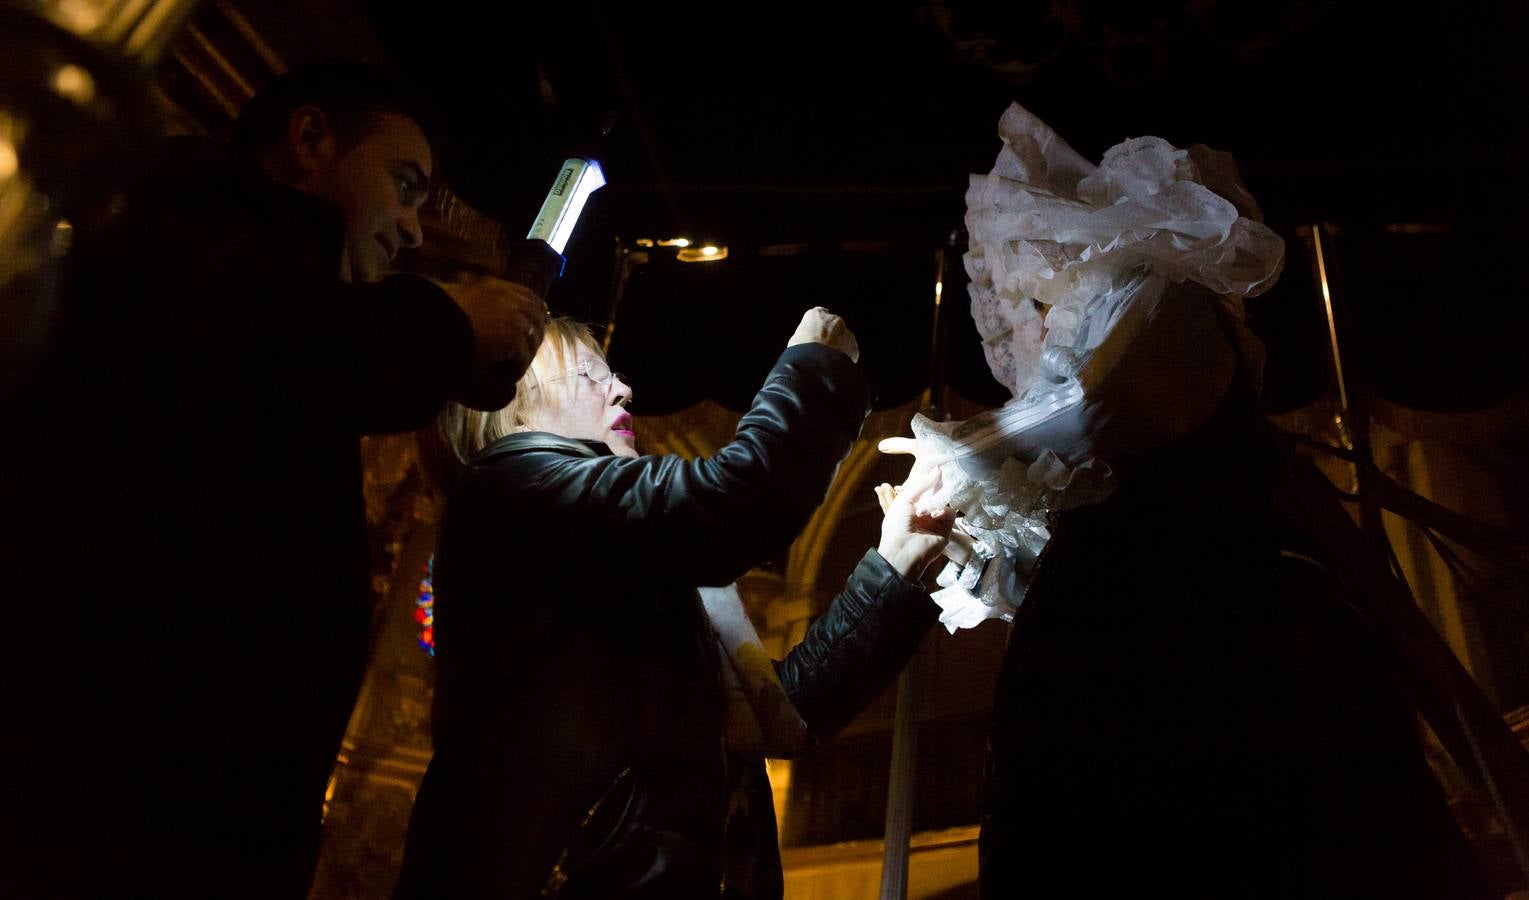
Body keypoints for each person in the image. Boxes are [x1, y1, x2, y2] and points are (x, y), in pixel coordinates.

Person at [881, 103, 1489, 898]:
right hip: (1132, 620)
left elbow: (1089, 406)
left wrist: (958, 458)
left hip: (1202, 619)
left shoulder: (1157, 302)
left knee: (1226, 829)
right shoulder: (1099, 318)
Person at [0, 61, 545, 898]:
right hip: (122, 802)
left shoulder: (261, 276)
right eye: (402, 186)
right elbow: (279, 346)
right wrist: (448, 323)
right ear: (311, 138)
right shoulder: (188, 226)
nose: (407, 229)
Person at [391, 310, 952, 899]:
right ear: (511, 407)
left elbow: (784, 709)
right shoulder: (510, 488)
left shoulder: (618, 548)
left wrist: (896, 558)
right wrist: (814, 367)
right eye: (588, 374)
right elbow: (734, 500)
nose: (622, 388)